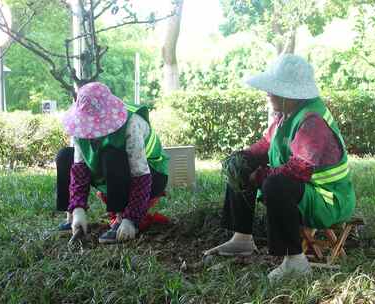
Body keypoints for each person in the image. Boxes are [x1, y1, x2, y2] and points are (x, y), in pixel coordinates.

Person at [204, 54, 356, 281]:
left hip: (327, 200)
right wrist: (244, 157)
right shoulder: (286, 113)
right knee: (241, 166)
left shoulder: (312, 120)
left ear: (290, 93)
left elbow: (298, 170)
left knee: (275, 184)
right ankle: (242, 237)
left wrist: (261, 176)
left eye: (273, 88)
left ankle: (295, 260)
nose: (268, 92)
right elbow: (268, 143)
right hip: (307, 192)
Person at [55, 82, 169, 243]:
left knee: (112, 155)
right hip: (113, 173)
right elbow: (79, 171)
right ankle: (71, 218)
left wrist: (132, 220)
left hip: (150, 176)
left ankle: (122, 218)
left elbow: (141, 175)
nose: (91, 132)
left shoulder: (131, 123)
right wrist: (78, 209)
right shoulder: (80, 128)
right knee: (65, 155)